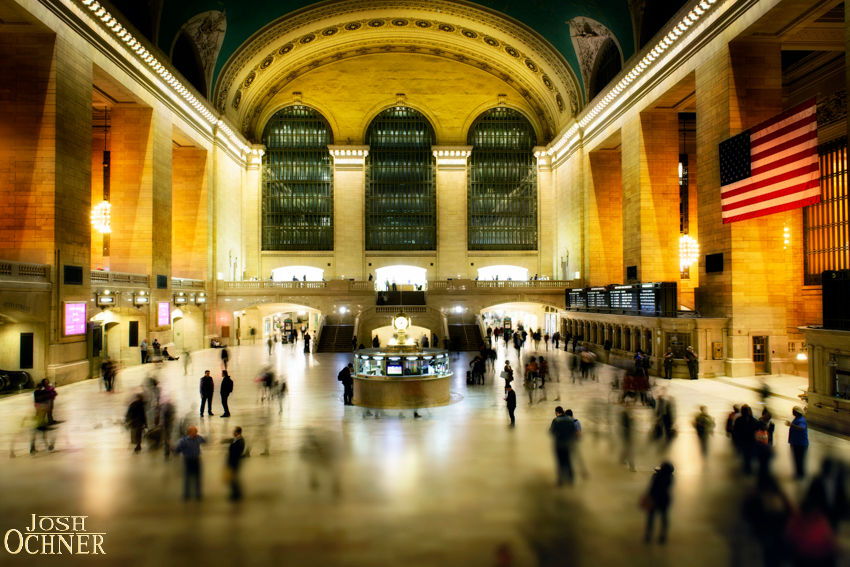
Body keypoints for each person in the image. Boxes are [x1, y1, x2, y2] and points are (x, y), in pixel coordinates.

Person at [643, 462, 674, 544]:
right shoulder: (670, 478)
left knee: (651, 518)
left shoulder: (656, 477)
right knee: (664, 517)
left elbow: (652, 487)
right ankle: (663, 536)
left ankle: (648, 536)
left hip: (654, 498)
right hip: (664, 499)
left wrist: (648, 496)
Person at [174, 426, 206, 500]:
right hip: (188, 460)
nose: (196, 433)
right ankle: (187, 494)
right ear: (190, 432)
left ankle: (198, 494)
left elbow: (204, 441)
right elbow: (178, 450)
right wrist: (175, 450)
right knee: (187, 478)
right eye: (195, 432)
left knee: (197, 477)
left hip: (196, 460)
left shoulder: (198, 438)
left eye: (196, 432)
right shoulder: (183, 441)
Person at [549, 406, 577, 485]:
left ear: (556, 412)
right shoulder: (570, 420)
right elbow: (574, 432)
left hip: (559, 444)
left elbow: (551, 432)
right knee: (568, 461)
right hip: (568, 443)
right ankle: (571, 479)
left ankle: (561, 480)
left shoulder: (555, 421)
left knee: (560, 462)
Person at [787, 406, 809, 479]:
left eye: (793, 411)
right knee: (797, 459)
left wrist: (791, 425)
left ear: (797, 412)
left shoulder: (801, 420)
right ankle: (798, 473)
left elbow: (802, 428)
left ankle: (800, 474)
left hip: (800, 444)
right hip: (796, 443)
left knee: (799, 459)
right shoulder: (797, 419)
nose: (792, 412)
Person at [226, 426, 246, 501]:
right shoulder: (237, 439)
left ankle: (236, 494)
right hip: (233, 462)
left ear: (237, 432)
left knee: (233, 479)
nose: (233, 432)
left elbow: (236, 452)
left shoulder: (240, 441)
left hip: (234, 462)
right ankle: (235, 493)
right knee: (233, 479)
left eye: (234, 431)